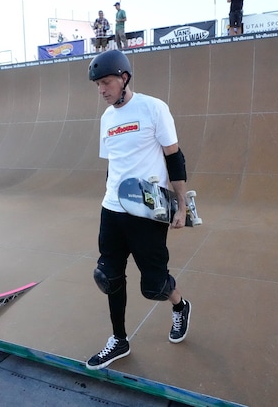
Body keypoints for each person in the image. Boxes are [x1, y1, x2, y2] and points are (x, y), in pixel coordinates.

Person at [85, 50, 192, 370]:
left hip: (147, 209)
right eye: (97, 85)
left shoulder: (153, 108)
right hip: (112, 209)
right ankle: (118, 340)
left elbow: (175, 157)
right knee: (108, 276)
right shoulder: (107, 119)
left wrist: (182, 206)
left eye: (106, 82)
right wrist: (108, 200)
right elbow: (113, 166)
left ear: (124, 78)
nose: (101, 90)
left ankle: (180, 306)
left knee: (155, 286)